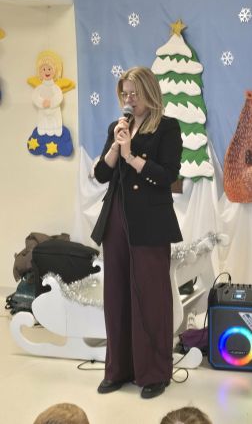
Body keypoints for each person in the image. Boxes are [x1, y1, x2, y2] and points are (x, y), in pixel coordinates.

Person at [91, 66, 183, 399]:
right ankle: (119, 369)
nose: (129, 99)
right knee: (116, 295)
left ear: (149, 92)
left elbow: (168, 175)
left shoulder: (167, 127)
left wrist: (131, 156)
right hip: (116, 216)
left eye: (134, 93)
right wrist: (116, 148)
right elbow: (102, 174)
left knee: (150, 296)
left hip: (150, 220)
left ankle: (154, 372)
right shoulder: (118, 127)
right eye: (125, 93)